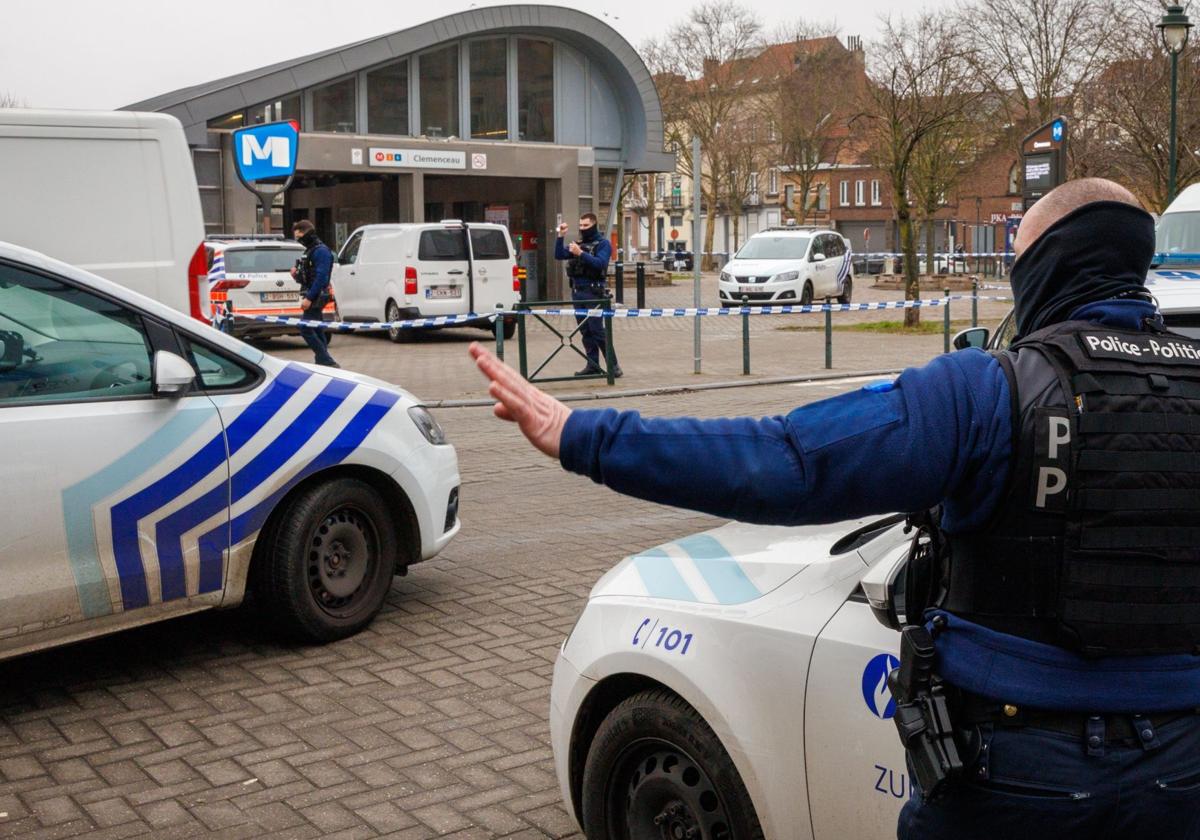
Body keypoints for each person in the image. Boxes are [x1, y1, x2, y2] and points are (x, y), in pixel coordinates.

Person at [472, 178, 1200, 839]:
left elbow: (786, 461)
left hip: (1014, 776)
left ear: (1045, 268)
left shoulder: (984, 391)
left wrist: (582, 435)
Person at [555, 213, 621, 378]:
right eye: (581, 226)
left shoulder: (603, 244)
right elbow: (559, 255)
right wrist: (560, 236)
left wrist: (581, 254)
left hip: (594, 292)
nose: (582, 229)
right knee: (585, 331)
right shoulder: (579, 244)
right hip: (578, 293)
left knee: (597, 330)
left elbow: (600, 264)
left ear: (594, 225)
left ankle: (614, 367)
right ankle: (593, 365)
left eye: (585, 226)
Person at [290, 220, 338, 368]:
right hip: (312, 292)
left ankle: (326, 360)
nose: (299, 241)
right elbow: (307, 276)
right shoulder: (310, 251)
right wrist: (296, 275)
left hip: (317, 294)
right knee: (316, 327)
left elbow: (321, 277)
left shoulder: (321, 251)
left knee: (305, 328)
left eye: (300, 237)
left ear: (307, 233)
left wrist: (309, 298)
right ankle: (322, 361)